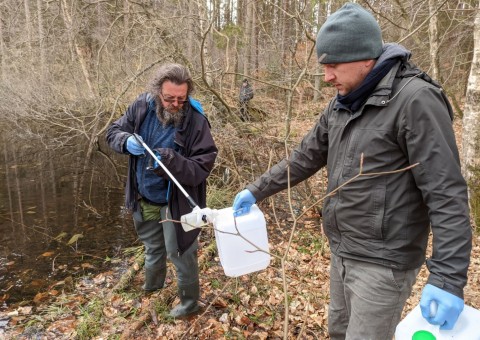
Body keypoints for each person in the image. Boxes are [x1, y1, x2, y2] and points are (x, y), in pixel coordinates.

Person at [232, 3, 472, 339]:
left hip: (384, 263)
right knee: (339, 332)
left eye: (333, 66)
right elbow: (305, 157)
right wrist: (256, 190)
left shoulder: (415, 100)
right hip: (343, 249)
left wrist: (447, 278)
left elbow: (446, 193)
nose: (327, 77)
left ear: (365, 58)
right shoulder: (341, 104)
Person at [106, 63, 218, 318]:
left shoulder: (196, 121)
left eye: (181, 99)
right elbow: (113, 132)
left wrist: (171, 160)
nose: (175, 104)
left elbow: (202, 167)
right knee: (152, 247)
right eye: (169, 98)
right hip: (143, 194)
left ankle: (189, 305)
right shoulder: (141, 107)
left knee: (181, 253)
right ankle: (152, 289)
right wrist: (125, 142)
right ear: (158, 92)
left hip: (177, 202)